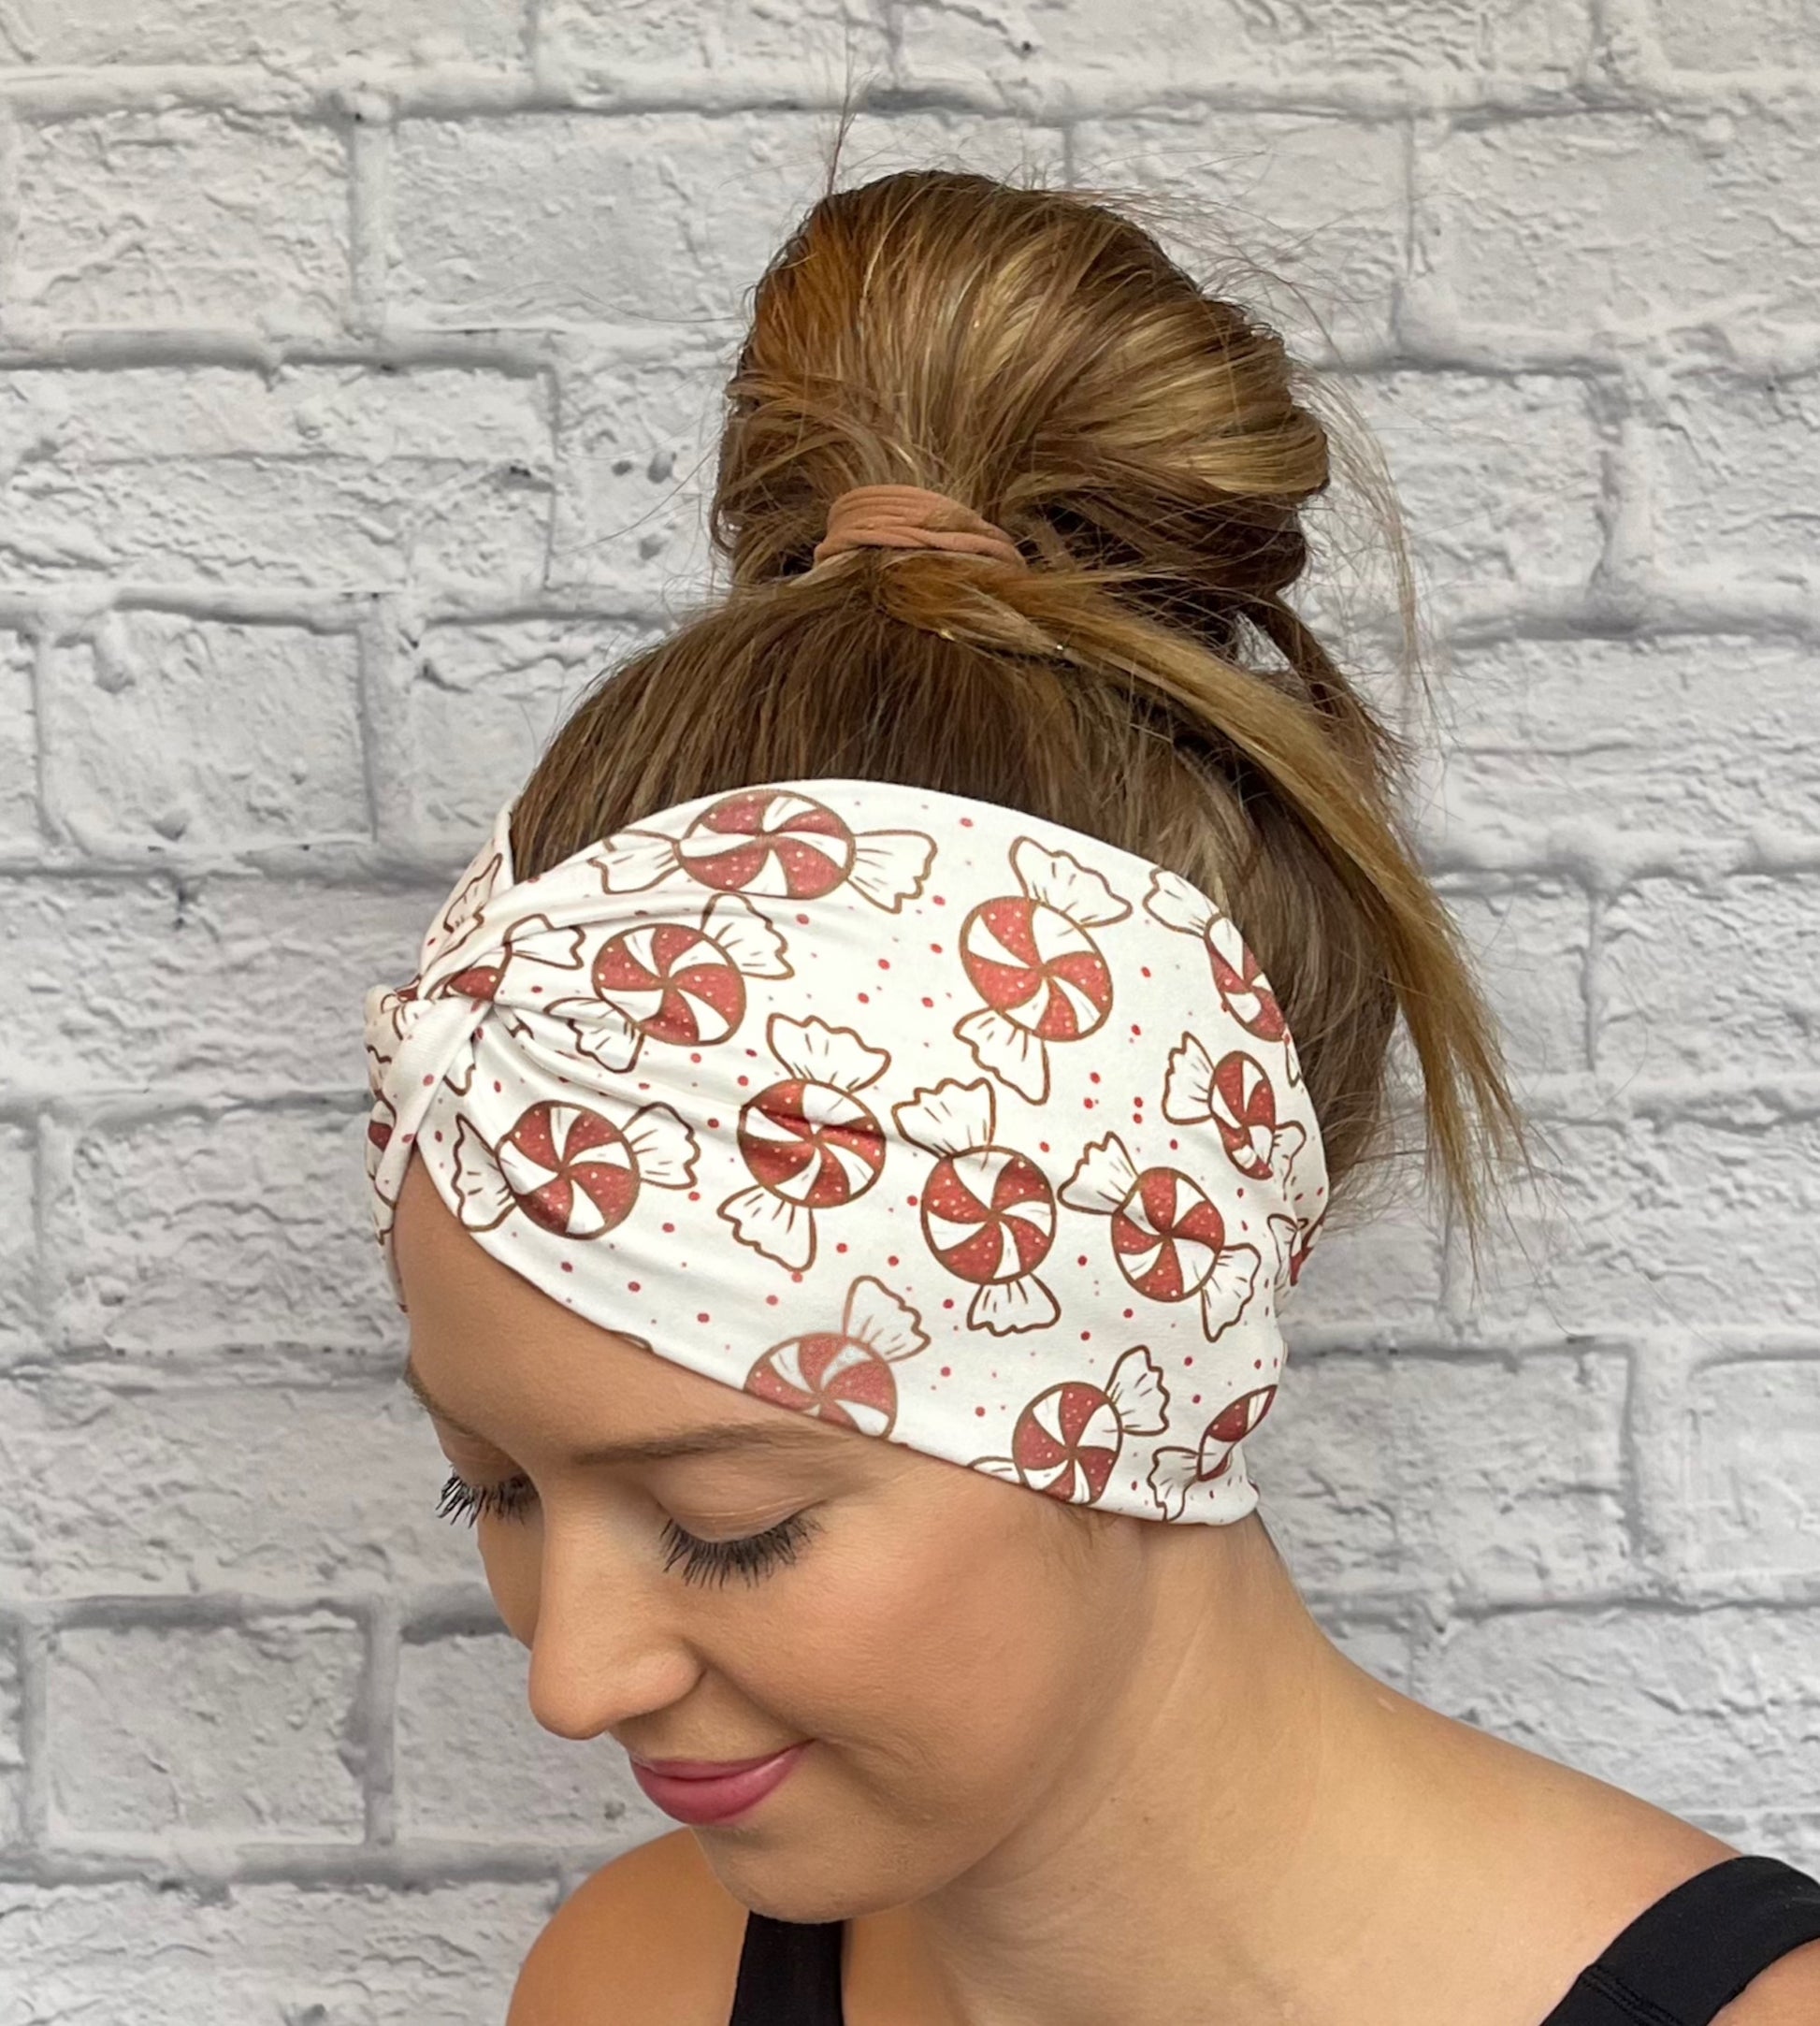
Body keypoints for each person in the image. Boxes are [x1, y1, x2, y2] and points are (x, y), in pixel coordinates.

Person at [361, 166, 1820, 2026]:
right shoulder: (624, 1990)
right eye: (484, 1488)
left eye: (732, 1520)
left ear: (1149, 1378)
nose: (572, 1676)